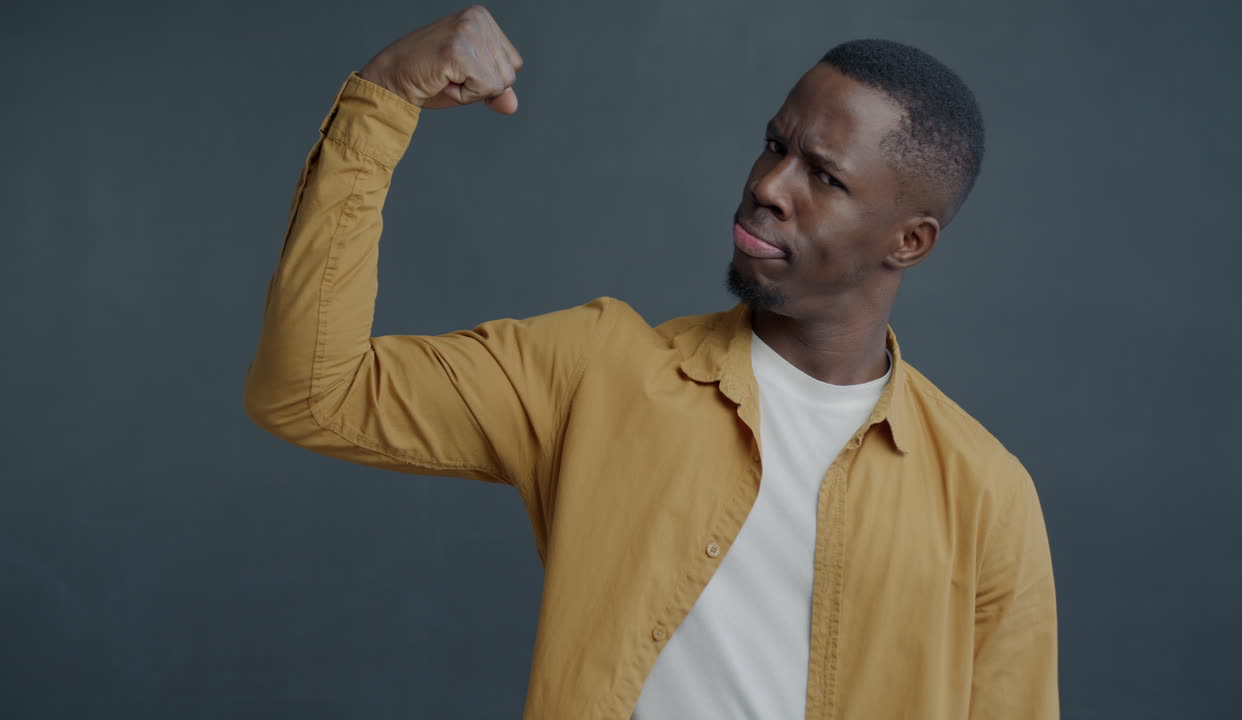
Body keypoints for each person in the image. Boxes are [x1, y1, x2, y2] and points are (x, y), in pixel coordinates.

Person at [243, 5, 1059, 719]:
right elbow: (312, 393)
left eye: (824, 176)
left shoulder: (985, 496)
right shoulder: (598, 372)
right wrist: (384, 97)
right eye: (774, 145)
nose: (769, 186)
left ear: (909, 241)